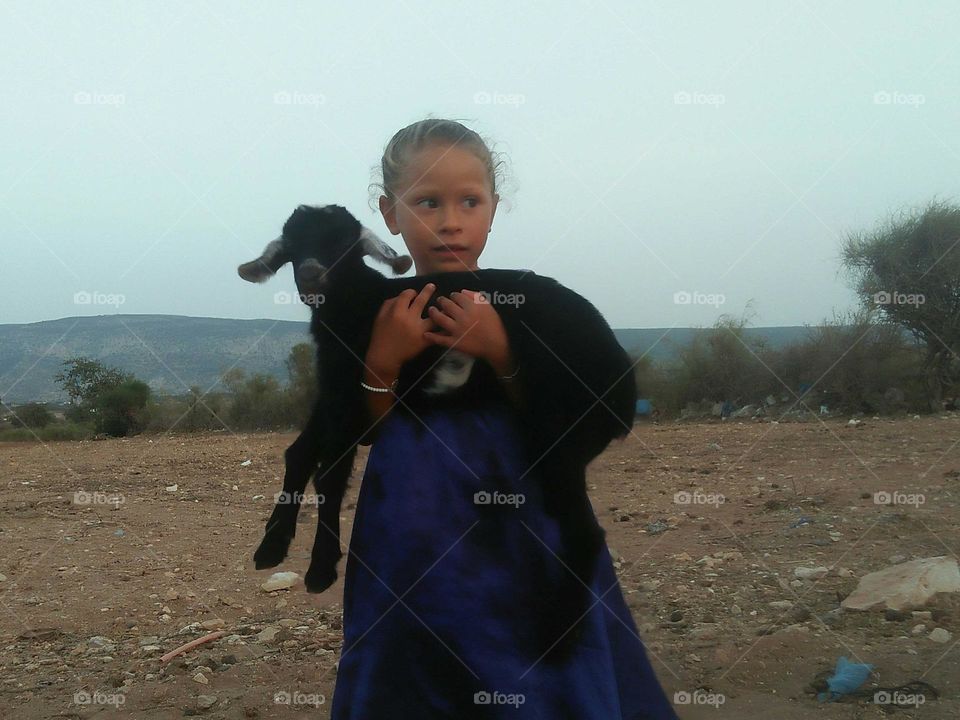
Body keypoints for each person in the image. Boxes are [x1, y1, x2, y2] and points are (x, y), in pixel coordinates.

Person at [329, 118, 677, 719]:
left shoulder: (536, 302)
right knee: (413, 646)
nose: (450, 221)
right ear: (389, 213)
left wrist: (502, 349)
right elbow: (362, 430)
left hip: (525, 516)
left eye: (470, 200)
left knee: (531, 650)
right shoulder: (373, 313)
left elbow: (602, 405)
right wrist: (383, 363)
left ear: (495, 207)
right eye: (427, 202)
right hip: (408, 522)